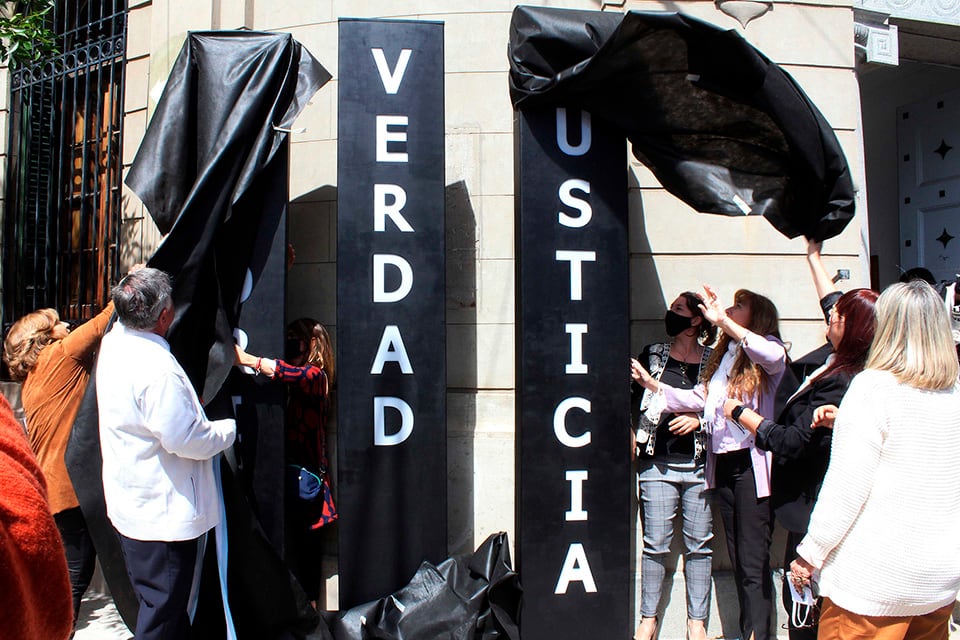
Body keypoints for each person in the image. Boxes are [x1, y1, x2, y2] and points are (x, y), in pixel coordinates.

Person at [720, 239, 878, 639]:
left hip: (817, 506)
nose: (829, 316)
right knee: (802, 601)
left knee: (808, 605)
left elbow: (791, 441)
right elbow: (832, 299)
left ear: (853, 329)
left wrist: (742, 415)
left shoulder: (843, 382)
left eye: (837, 317)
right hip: (806, 507)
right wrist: (813, 254)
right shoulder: (838, 354)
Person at [789, 280, 960, 640]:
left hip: (874, 580)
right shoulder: (954, 390)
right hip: (938, 577)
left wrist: (811, 552)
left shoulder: (874, 387)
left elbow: (847, 487)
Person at [633, 285, 787, 640]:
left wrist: (722, 321)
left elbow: (767, 353)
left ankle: (757, 634)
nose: (730, 310)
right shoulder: (729, 356)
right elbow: (699, 399)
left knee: (752, 562)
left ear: (757, 317)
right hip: (725, 467)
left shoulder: (770, 352)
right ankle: (747, 630)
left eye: (739, 306)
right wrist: (652, 386)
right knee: (738, 557)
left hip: (751, 466)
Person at [96, 267, 236, 640]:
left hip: (134, 506)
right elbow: (185, 438)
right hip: (163, 517)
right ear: (164, 315)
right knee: (164, 613)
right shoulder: (156, 370)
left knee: (163, 609)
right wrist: (228, 431)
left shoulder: (115, 342)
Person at [3, 291, 116, 631]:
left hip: (54, 488)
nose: (66, 325)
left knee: (74, 572)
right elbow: (104, 321)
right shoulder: (62, 354)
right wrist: (133, 278)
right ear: (43, 337)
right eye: (56, 324)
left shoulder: (31, 379)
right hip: (74, 487)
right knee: (76, 576)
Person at [631, 292, 717, 640]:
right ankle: (648, 618)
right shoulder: (654, 354)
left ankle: (696, 623)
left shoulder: (714, 359)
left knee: (700, 546)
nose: (671, 314)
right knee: (655, 544)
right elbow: (632, 398)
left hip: (699, 465)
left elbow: (723, 404)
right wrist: (630, 431)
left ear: (696, 321)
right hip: (657, 464)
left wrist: (699, 421)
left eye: (679, 310)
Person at [234, 317, 336, 609]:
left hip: (306, 484)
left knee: (305, 555)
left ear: (313, 344)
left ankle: (311, 614)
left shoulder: (317, 377)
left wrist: (244, 359)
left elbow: (284, 372)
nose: (290, 343)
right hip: (287, 478)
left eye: (296, 338)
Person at [0, 392, 74, 640]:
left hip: (53, 483)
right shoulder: (62, 355)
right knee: (78, 567)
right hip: (65, 488)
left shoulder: (33, 377)